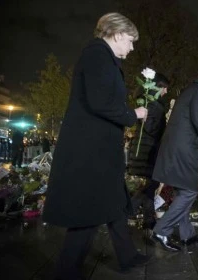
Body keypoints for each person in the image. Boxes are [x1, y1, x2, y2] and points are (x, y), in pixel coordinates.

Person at [42, 12, 150, 279]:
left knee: (113, 202)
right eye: (130, 40)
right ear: (116, 34)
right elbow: (101, 102)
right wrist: (132, 115)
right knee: (89, 209)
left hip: (99, 150)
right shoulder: (97, 55)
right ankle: (66, 270)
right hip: (91, 151)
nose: (132, 47)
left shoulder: (103, 57)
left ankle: (127, 256)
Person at [151, 65, 198, 252]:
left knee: (182, 193)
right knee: (190, 192)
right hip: (183, 153)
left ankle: (187, 235)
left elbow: (192, 123)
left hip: (176, 150)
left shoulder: (192, 90)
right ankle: (161, 230)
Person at [127, 72, 170, 229]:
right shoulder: (154, 105)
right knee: (150, 185)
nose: (166, 92)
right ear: (158, 87)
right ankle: (127, 210)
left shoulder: (150, 103)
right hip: (148, 152)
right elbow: (151, 128)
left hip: (145, 151)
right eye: (165, 88)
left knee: (151, 185)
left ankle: (148, 219)